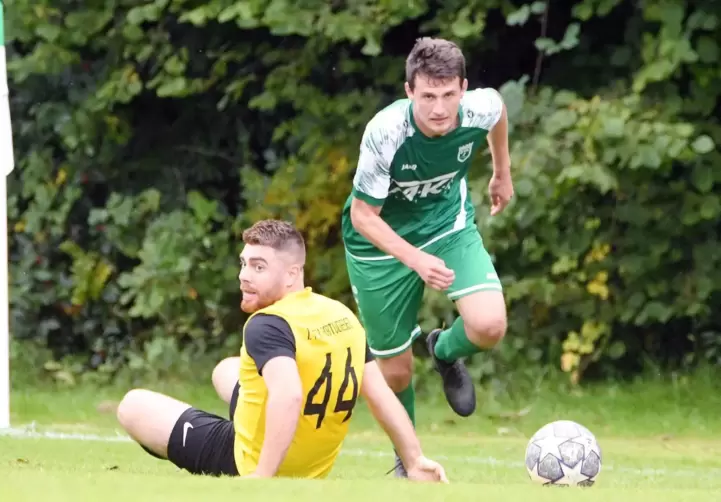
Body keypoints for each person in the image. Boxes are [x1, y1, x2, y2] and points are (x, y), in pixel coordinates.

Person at [116, 219, 448, 482]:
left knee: (132, 405)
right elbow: (380, 395)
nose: (244, 276)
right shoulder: (341, 314)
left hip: (251, 460)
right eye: (244, 264)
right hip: (312, 465)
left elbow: (288, 395)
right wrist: (414, 459)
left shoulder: (268, 324)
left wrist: (262, 477)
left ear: (291, 274)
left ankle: (236, 450)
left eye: (258, 267)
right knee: (225, 370)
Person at [340, 37, 514, 476]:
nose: (440, 108)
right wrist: (415, 259)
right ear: (409, 92)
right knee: (395, 373)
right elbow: (363, 216)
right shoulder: (387, 132)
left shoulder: (480, 106)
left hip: (445, 225)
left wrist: (500, 173)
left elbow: (499, 115)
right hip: (377, 245)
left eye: (449, 95)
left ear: (463, 88)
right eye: (428, 96)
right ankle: (409, 461)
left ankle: (443, 349)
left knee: (490, 324)